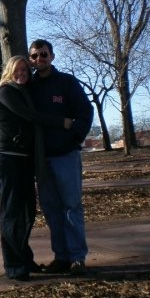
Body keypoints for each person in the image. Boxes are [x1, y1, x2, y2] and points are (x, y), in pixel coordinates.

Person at [0, 55, 73, 282]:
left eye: (25, 71)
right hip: (7, 157)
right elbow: (31, 116)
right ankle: (15, 266)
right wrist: (61, 122)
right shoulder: (6, 91)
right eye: (17, 71)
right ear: (9, 71)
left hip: (24, 158)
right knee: (12, 211)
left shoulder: (25, 93)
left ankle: (24, 259)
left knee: (26, 211)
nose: (21, 74)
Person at [28, 39, 94, 275]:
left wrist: (74, 139)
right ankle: (62, 257)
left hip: (65, 156)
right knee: (51, 208)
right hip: (41, 159)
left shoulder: (67, 83)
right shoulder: (29, 87)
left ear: (52, 56)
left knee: (71, 206)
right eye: (34, 56)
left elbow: (85, 112)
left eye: (43, 54)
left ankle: (77, 257)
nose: (39, 59)